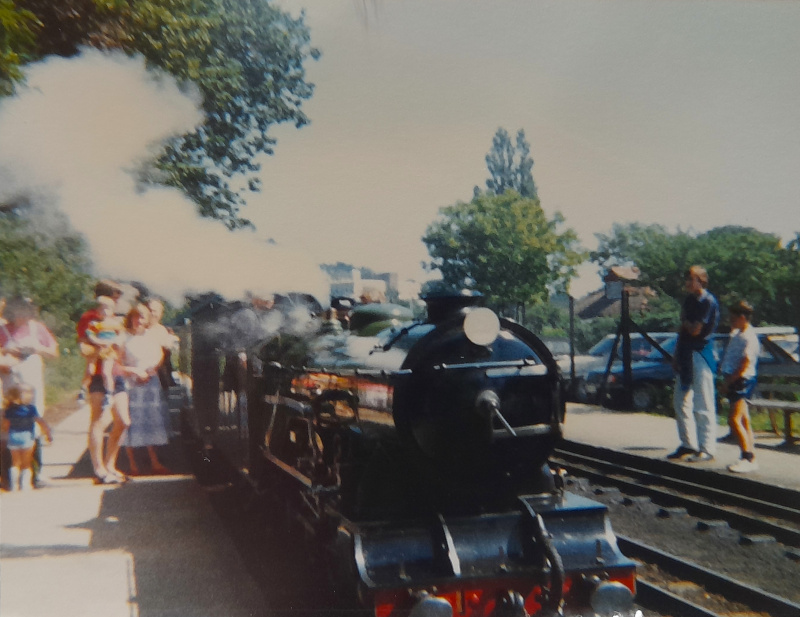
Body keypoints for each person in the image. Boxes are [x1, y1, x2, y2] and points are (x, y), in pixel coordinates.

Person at [79, 282, 131, 484]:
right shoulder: (90, 318)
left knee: (123, 421)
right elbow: (84, 346)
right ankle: (99, 469)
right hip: (99, 375)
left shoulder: (116, 319)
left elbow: (122, 349)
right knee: (98, 421)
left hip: (116, 373)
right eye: (116, 296)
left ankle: (110, 464)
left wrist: (119, 345)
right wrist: (102, 346)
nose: (118, 301)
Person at [668, 266, 720, 463]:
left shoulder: (707, 301)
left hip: (701, 353)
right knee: (680, 401)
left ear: (701, 280)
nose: (687, 283)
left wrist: (684, 325)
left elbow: (695, 330)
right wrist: (676, 354)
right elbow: (684, 330)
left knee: (703, 402)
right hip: (685, 354)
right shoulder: (689, 300)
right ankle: (688, 443)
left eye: (691, 279)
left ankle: (707, 448)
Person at [121, 304, 171, 475]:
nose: (138, 320)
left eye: (142, 317)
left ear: (147, 319)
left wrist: (150, 371)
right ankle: (133, 464)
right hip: (130, 383)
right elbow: (118, 364)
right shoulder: (123, 338)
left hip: (150, 382)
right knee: (131, 421)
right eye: (135, 317)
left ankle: (154, 461)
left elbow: (159, 356)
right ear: (130, 318)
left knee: (150, 421)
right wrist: (134, 372)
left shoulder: (151, 337)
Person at [720, 300, 760, 473]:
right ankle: (750, 455)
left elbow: (745, 363)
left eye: (733, 318)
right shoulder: (739, 333)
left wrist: (728, 383)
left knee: (734, 420)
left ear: (743, 318)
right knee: (744, 420)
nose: (730, 321)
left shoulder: (748, 337)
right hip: (737, 380)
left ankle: (747, 457)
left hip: (740, 381)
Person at [2, 383, 53, 491]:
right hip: (27, 437)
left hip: (13, 436)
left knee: (15, 463)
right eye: (29, 393)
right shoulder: (31, 409)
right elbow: (40, 421)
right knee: (26, 463)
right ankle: (25, 485)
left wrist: (8, 430)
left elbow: (5, 425)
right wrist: (48, 432)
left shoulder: (10, 410)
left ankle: (13, 485)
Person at [82, 296, 124, 396]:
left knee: (106, 372)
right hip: (98, 348)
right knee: (90, 370)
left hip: (109, 350)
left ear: (112, 311)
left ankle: (109, 392)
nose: (105, 311)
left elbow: (121, 335)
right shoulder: (96, 324)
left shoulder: (115, 324)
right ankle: (83, 388)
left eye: (107, 308)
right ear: (98, 311)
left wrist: (113, 342)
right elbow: (90, 334)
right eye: (102, 308)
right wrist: (98, 341)